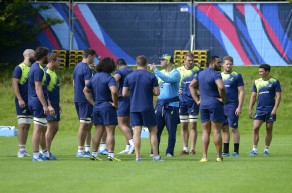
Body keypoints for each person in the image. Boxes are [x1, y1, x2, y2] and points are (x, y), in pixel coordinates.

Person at [122, 55, 162, 161]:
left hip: (134, 107)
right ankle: (155, 156)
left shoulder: (129, 76)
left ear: (136, 64)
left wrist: (133, 92)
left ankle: (138, 156)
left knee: (136, 131)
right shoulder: (151, 76)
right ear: (146, 64)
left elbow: (124, 93)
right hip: (147, 107)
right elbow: (157, 92)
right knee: (153, 131)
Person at [189, 56, 226, 162]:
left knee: (205, 131)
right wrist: (223, 99)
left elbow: (191, 86)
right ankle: (219, 156)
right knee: (216, 131)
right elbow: (221, 87)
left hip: (203, 105)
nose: (221, 64)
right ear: (213, 62)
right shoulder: (216, 74)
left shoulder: (200, 73)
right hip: (215, 104)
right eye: (219, 62)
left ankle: (204, 157)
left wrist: (197, 101)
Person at [83, 57, 120, 161]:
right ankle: (111, 155)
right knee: (110, 132)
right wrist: (115, 103)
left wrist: (93, 103)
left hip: (97, 107)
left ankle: (94, 154)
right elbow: (114, 91)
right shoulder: (110, 78)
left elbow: (85, 90)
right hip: (107, 107)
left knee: (98, 130)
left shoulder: (94, 77)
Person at [149, 54, 180, 157]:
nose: (161, 61)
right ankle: (154, 151)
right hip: (160, 105)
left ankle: (169, 152)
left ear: (169, 61)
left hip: (171, 105)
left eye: (163, 60)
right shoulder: (160, 73)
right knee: (156, 129)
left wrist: (155, 71)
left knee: (171, 131)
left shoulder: (175, 73)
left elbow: (168, 79)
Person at [248, 64, 281, 156]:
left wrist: (275, 109)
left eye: (261, 71)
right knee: (255, 128)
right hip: (259, 109)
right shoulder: (256, 82)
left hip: (270, 109)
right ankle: (254, 149)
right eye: (259, 71)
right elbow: (253, 96)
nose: (260, 73)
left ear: (267, 71)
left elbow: (278, 96)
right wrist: (250, 108)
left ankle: (266, 149)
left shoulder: (274, 82)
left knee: (269, 128)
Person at [28, 46, 53, 161]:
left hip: (36, 101)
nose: (48, 57)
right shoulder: (37, 69)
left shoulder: (36, 67)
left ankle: (45, 153)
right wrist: (44, 105)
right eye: (47, 55)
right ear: (43, 57)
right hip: (37, 102)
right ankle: (36, 155)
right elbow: (38, 88)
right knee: (38, 129)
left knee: (42, 129)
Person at [177, 52, 203, 155]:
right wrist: (176, 91)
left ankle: (193, 148)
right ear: (184, 60)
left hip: (193, 101)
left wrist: (200, 91)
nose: (191, 62)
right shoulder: (178, 71)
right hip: (182, 101)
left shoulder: (198, 70)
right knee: (183, 125)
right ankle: (185, 148)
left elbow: (204, 83)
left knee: (193, 124)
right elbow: (172, 83)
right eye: (189, 60)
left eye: (192, 60)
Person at [73, 48, 96, 158]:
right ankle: (80, 150)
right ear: (90, 56)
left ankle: (86, 149)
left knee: (87, 124)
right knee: (84, 124)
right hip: (85, 100)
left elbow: (74, 83)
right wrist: (92, 100)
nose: (94, 59)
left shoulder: (77, 67)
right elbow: (88, 86)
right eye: (93, 57)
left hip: (78, 98)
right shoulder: (87, 69)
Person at [12, 49, 35, 157]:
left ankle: (23, 149)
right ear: (29, 55)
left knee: (27, 125)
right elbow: (15, 84)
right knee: (22, 124)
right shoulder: (19, 68)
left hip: (31, 101)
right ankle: (20, 150)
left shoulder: (33, 68)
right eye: (34, 54)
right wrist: (20, 98)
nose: (35, 56)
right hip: (22, 100)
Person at [221, 56, 244, 157]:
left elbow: (241, 92)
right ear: (223, 64)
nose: (229, 65)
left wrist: (239, 107)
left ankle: (236, 151)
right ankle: (225, 151)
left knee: (234, 128)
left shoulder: (237, 76)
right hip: (221, 106)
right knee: (224, 128)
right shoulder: (218, 76)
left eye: (230, 64)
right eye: (227, 64)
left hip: (232, 106)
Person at [113, 59, 134, 154]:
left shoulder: (119, 71)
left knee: (120, 124)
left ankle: (132, 143)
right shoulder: (132, 71)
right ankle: (128, 147)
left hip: (123, 99)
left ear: (117, 65)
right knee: (127, 124)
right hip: (132, 99)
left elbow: (115, 79)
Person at [44, 53, 61, 160]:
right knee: (50, 127)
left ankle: (46, 150)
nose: (60, 63)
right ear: (52, 61)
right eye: (58, 61)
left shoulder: (53, 72)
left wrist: (57, 104)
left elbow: (53, 90)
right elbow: (44, 92)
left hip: (55, 105)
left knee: (55, 127)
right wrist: (49, 105)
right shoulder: (46, 73)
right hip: (50, 106)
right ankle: (46, 152)